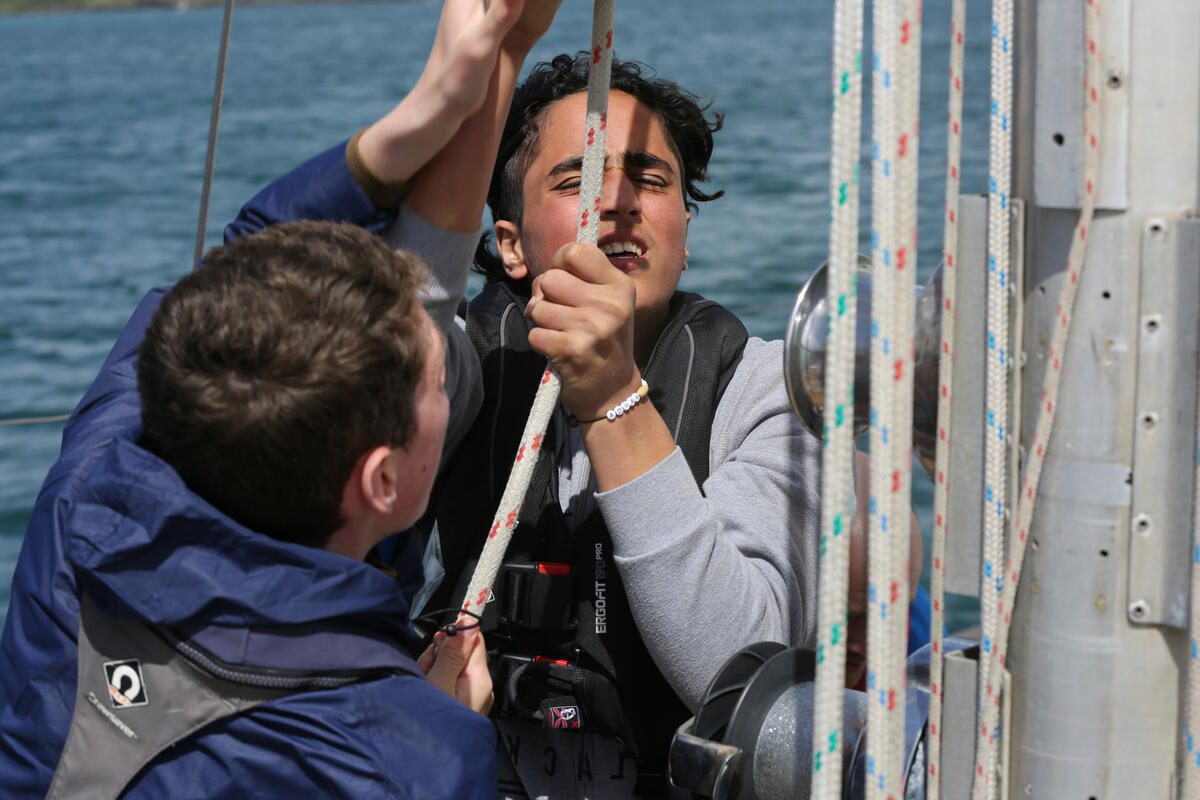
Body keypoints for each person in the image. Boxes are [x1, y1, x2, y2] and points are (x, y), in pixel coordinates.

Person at [0, 1, 563, 797]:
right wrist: (433, 718)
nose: (451, 341)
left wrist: (449, 94)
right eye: (440, 376)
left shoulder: (86, 500)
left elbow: (233, 269)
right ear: (383, 482)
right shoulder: (415, 760)